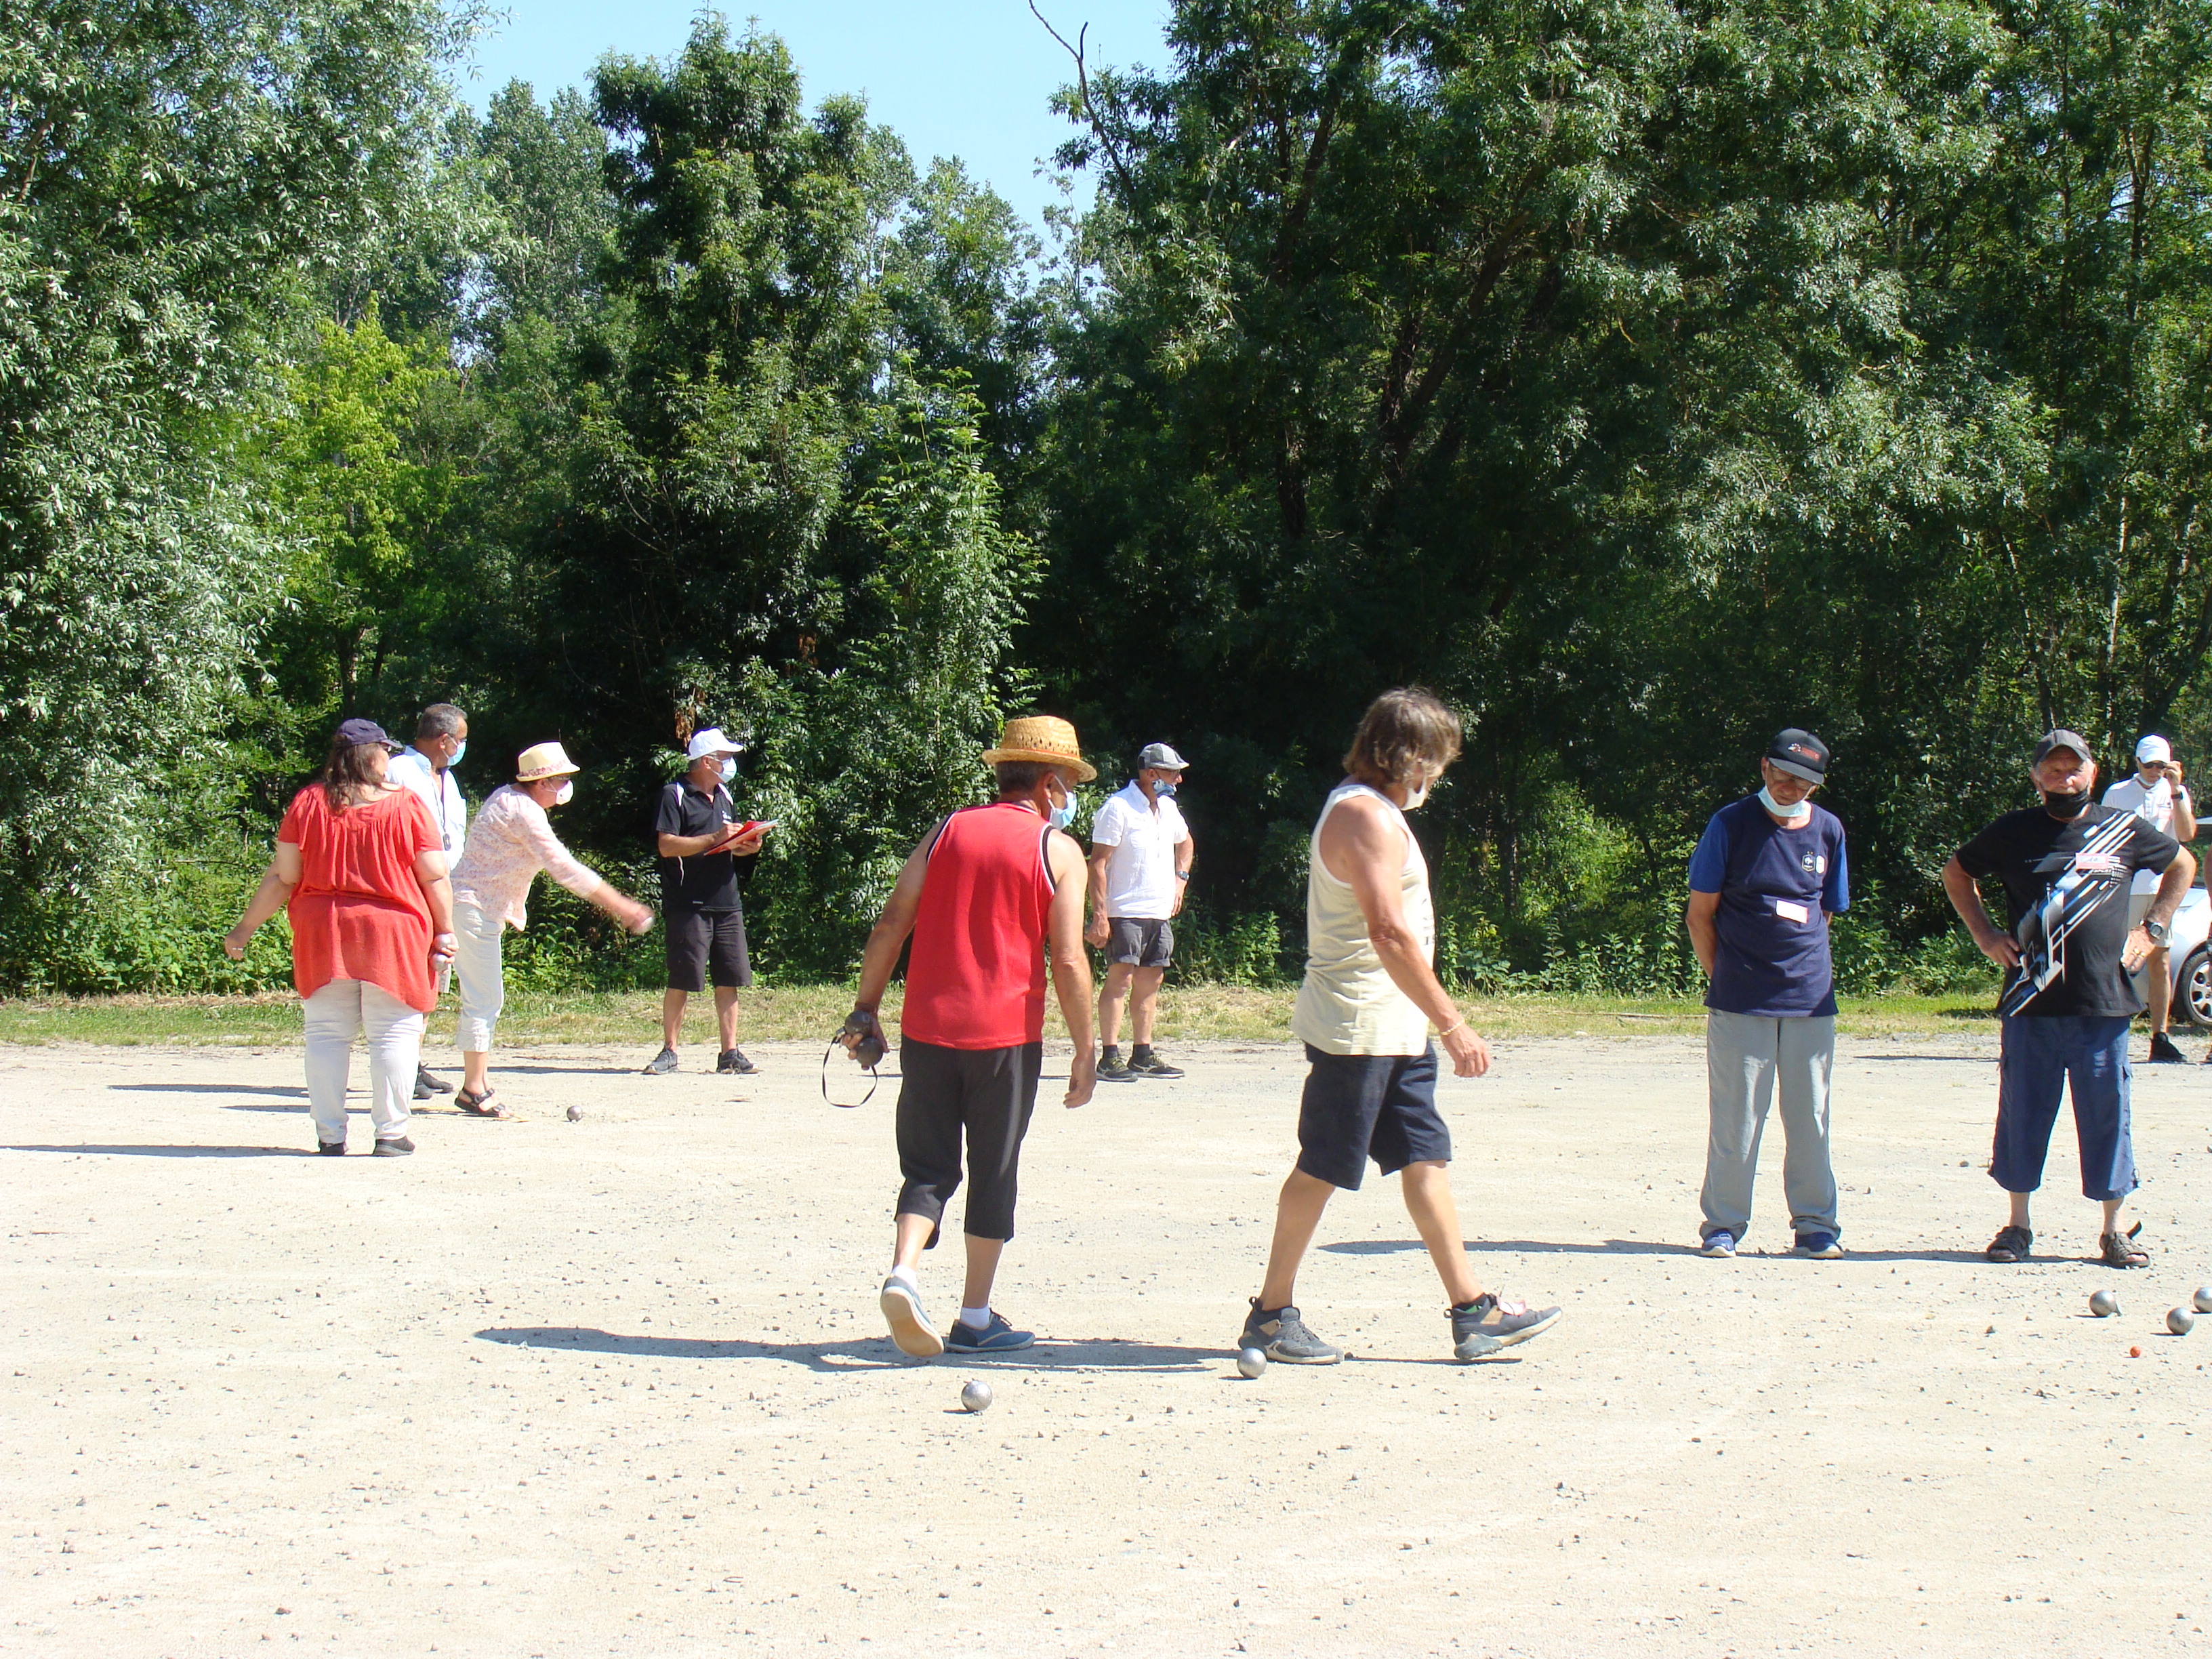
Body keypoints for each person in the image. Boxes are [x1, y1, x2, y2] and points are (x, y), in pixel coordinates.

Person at [1240, 689, 1559, 1364]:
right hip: (1358, 1025)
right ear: (1408, 758)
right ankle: (1270, 1315)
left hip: (1396, 1024)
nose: (1437, 778)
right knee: (1323, 1166)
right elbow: (1387, 931)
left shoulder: (1378, 812)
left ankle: (1473, 1312)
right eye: (1435, 763)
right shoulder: (1362, 815)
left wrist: (1428, 1020)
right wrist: (1454, 1023)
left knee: (1425, 1158)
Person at [839, 716, 1098, 1357]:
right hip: (1005, 1039)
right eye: (1067, 784)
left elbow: (892, 922)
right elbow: (1068, 959)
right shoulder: (1058, 850)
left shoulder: (947, 830)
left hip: (928, 1030)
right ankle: (975, 1318)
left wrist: (865, 1009)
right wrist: (1087, 1047)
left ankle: (904, 1273)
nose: (1068, 795)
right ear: (1047, 783)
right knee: (994, 1171)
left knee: (927, 1167)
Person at [1942, 729, 2195, 1269]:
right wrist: (1985, 935)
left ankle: (2113, 1231)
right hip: (2030, 1001)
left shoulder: (2122, 828)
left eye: (2073, 768)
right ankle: (2017, 1226)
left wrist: (2152, 927)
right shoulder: (2013, 831)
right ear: (2036, 777)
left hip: (2103, 1002)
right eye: (2053, 769)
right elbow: (1956, 872)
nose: (2064, 778)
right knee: (2023, 1115)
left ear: (2092, 772)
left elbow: (2183, 864)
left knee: (2107, 1117)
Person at [222, 718, 455, 1157]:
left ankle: (330, 1136)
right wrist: (445, 931)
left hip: (324, 928)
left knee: (327, 1034)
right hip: (392, 929)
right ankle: (391, 1134)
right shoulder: (406, 805)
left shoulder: (309, 803)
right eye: (386, 750)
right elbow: (434, 876)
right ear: (374, 755)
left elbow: (284, 876)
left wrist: (244, 929)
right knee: (393, 1034)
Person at [1683, 729, 1850, 1261]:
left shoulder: (1828, 830)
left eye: (1802, 780)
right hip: (1741, 998)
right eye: (1781, 772)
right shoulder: (1730, 824)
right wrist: (1727, 978)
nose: (1789, 785)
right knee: (1737, 1119)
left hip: (1810, 999)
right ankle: (1723, 1226)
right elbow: (1700, 915)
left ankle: (1816, 1226)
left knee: (1811, 1118)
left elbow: (1825, 912)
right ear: (1763, 767)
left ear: (1816, 786)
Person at [445, 743, 657, 1117]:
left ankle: (463, 1082)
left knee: (475, 997)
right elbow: (565, 869)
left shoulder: (509, 798)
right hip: (473, 909)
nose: (565, 787)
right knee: (484, 999)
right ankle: (473, 1089)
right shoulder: (523, 811)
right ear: (541, 782)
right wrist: (622, 906)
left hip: (473, 908)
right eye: (560, 780)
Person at [644, 727, 769, 1076]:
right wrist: (713, 838)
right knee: (682, 977)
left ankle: (730, 1052)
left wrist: (747, 845)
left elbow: (725, 845)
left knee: (729, 978)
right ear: (705, 761)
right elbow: (666, 845)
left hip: (727, 901)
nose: (729, 764)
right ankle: (669, 1051)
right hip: (689, 902)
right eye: (724, 758)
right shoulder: (674, 794)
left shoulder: (725, 795)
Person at [1086, 742, 1195, 1082]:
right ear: (1151, 773)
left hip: (1158, 912)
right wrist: (1100, 915)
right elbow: (1098, 864)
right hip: (1125, 910)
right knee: (1120, 980)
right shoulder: (1118, 808)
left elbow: (1186, 842)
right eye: (1172, 773)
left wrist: (1180, 881)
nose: (1178, 779)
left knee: (1151, 981)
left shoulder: (1169, 808)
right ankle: (1109, 1057)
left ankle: (1143, 1054)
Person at [390, 703, 470, 1100]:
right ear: (445, 740)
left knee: (433, 976)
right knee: (410, 978)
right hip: (409, 887)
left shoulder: (447, 780)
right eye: (462, 740)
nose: (462, 748)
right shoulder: (399, 772)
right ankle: (402, 1066)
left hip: (442, 886)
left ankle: (413, 1063)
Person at [2101, 734, 2196, 1062]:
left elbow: (2186, 835)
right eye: (2150, 765)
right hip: (2124, 887)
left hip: (2161, 889)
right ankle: (2110, 1033)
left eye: (2161, 765)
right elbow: (2103, 840)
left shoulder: (2175, 792)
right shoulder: (2117, 793)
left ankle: (2160, 1036)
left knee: (2161, 962)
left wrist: (2176, 790)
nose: (2155, 771)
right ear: (2138, 763)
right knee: (2116, 960)